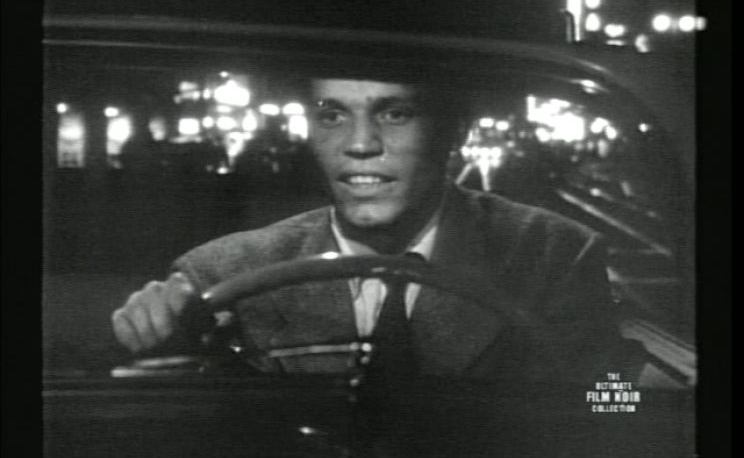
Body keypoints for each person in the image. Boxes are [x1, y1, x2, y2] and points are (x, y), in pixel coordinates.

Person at [111, 77, 643, 384]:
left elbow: (609, 401)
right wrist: (154, 331)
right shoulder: (223, 274)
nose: (360, 144)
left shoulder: (554, 254)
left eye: (396, 113)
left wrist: (642, 401)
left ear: (454, 131)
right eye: (333, 116)